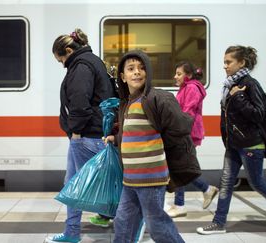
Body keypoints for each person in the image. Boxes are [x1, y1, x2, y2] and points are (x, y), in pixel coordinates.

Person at [197, 45, 266, 235]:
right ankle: (219, 223)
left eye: (229, 62)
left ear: (241, 62)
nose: (225, 66)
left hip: (251, 144)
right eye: (224, 62)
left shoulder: (250, 84)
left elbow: (258, 115)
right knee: (226, 182)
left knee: (257, 183)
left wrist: (240, 97)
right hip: (234, 144)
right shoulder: (230, 85)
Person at [104, 50, 202, 243]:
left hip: (151, 177)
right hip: (130, 178)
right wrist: (115, 139)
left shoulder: (156, 98)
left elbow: (182, 126)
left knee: (156, 225)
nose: (137, 72)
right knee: (123, 221)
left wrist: (164, 144)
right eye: (131, 69)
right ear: (122, 77)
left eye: (141, 68)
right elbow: (131, 132)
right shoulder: (127, 104)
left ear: (147, 72)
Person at [46, 28, 115, 243]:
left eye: (61, 60)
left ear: (68, 50)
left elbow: (79, 103)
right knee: (75, 185)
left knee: (79, 185)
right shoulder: (92, 61)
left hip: (86, 136)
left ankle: (135, 222)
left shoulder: (81, 66)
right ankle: (72, 232)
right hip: (91, 134)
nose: (62, 64)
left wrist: (75, 132)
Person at [166, 61, 219, 218]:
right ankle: (206, 190)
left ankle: (180, 204)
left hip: (187, 132)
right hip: (184, 131)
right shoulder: (186, 88)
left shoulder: (191, 88)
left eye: (179, 74)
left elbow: (187, 113)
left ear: (188, 75)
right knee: (182, 167)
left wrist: (175, 126)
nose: (175, 76)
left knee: (180, 167)